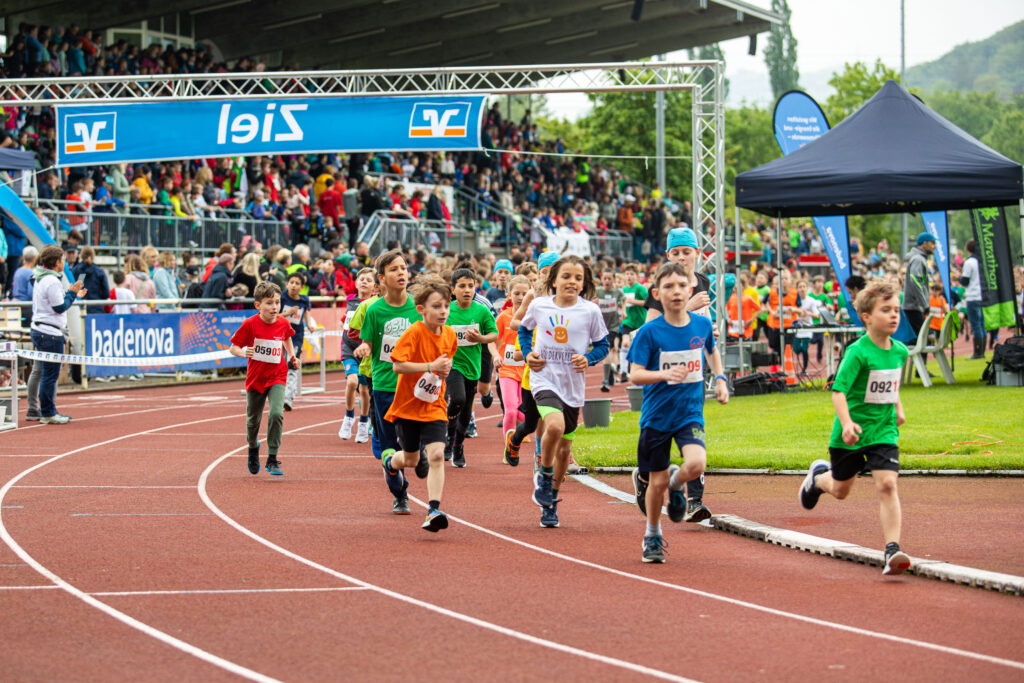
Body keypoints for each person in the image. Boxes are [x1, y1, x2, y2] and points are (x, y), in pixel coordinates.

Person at [798, 281, 912, 576]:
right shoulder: (857, 352)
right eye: (885, 310)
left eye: (896, 310)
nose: (894, 315)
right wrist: (847, 423)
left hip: (883, 431)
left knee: (887, 484)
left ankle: (892, 549)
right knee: (840, 490)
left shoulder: (900, 351)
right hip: (850, 434)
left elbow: (891, 383)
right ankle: (818, 479)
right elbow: (838, 391)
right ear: (866, 316)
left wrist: (898, 408)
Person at [627, 263, 729, 562]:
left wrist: (720, 379)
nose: (676, 292)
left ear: (691, 290)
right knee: (654, 484)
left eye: (682, 286)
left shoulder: (701, 325)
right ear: (657, 294)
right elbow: (635, 375)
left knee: (696, 464)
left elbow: (711, 351)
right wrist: (663, 375)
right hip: (657, 417)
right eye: (669, 287)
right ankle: (653, 534)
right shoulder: (649, 332)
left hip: (689, 414)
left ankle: (677, 484)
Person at [520, 254, 610, 528]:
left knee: (565, 448)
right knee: (554, 427)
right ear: (554, 280)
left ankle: (551, 500)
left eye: (578, 278)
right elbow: (525, 331)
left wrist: (590, 359)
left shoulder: (590, 311)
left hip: (573, 385)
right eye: (566, 276)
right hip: (544, 378)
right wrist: (528, 354)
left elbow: (603, 345)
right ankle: (544, 476)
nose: (572, 282)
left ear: (584, 284)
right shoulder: (539, 305)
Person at [640, 227, 716, 522]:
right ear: (667, 255)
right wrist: (691, 307)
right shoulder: (660, 286)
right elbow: (649, 327)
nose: (682, 257)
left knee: (694, 429)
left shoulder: (704, 281)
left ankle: (695, 500)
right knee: (659, 433)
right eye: (676, 252)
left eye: (687, 252)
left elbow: (701, 322)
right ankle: (645, 479)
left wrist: (711, 331)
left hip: (694, 369)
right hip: (664, 372)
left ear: (698, 253)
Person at [381, 277, 459, 532]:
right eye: (436, 306)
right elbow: (397, 365)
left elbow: (445, 365)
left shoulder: (449, 335)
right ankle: (391, 462)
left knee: (436, 454)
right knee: (412, 461)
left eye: (446, 306)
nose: (443, 311)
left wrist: (442, 371)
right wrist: (430, 367)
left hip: (435, 405)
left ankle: (433, 509)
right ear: (421, 309)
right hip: (407, 406)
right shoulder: (414, 332)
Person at [355, 249, 421, 514]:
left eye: (404, 268)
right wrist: (363, 349)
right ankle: (399, 493)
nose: (401, 273)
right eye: (394, 269)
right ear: (381, 279)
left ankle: (418, 454)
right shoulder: (374, 310)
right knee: (390, 445)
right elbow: (368, 343)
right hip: (384, 385)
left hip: (415, 385)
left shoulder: (418, 307)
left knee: (417, 443)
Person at [229, 281, 299, 477]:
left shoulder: (283, 323)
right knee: (253, 420)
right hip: (256, 377)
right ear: (258, 305)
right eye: (269, 303)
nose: (275, 307)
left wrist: (292, 355)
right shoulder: (249, 324)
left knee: (277, 413)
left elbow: (287, 337)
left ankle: (272, 457)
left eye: (277, 302)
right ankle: (253, 447)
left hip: (277, 375)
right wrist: (244, 353)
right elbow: (233, 347)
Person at [444, 267, 498, 468]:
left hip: (472, 366)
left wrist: (480, 338)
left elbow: (494, 334)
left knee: (466, 408)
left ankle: (458, 444)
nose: (467, 290)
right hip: (453, 364)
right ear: (453, 289)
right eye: (462, 286)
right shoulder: (448, 310)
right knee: (457, 398)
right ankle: (448, 439)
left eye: (470, 286)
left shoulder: (481, 311)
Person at [30, 245, 87, 424]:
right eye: (62, 260)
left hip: (40, 329)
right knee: (50, 374)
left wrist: (72, 294)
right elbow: (59, 307)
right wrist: (71, 293)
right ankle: (48, 412)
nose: (65, 263)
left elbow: (56, 302)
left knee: (40, 371)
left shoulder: (41, 277)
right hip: (50, 333)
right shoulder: (52, 280)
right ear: (56, 262)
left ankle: (37, 409)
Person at [495, 274, 530, 463]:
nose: (520, 297)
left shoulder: (533, 316)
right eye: (516, 293)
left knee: (525, 413)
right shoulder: (504, 317)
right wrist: (495, 355)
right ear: (509, 294)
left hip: (527, 370)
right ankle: (508, 449)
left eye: (524, 293)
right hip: (507, 370)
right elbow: (492, 339)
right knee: (510, 410)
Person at [338, 267, 376, 440]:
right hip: (348, 347)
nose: (364, 282)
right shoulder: (350, 300)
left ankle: (364, 422)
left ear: (375, 286)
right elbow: (346, 319)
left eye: (368, 280)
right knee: (351, 381)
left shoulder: (376, 303)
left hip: (366, 349)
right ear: (356, 282)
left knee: (365, 389)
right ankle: (348, 417)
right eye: (361, 279)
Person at [280, 271, 317, 411]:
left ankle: (288, 398)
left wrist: (309, 325)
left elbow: (306, 313)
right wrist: (287, 313)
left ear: (302, 287)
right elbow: (275, 315)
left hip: (295, 337)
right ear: (287, 284)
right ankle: (276, 395)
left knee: (292, 366)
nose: (294, 286)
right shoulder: (281, 297)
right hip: (279, 336)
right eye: (292, 283)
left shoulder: (304, 300)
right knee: (278, 367)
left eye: (297, 284)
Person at [902, 232, 936, 339]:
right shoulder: (918, 259)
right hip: (914, 307)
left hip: (915, 306)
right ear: (925, 244)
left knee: (917, 340)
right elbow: (915, 281)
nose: (934, 246)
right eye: (932, 243)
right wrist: (924, 303)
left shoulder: (920, 258)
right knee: (923, 340)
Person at [595, 268, 624, 392]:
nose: (607, 281)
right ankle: (612, 368)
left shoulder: (617, 292)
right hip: (601, 326)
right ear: (601, 279)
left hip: (613, 326)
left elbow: (623, 299)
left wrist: (623, 311)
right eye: (605, 278)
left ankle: (605, 380)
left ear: (613, 279)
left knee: (608, 349)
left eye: (609, 278)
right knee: (608, 351)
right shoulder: (598, 292)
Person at [960, 239, 985, 359]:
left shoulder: (969, 262)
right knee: (982, 324)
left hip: (973, 296)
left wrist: (959, 278)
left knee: (975, 325)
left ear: (967, 249)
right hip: (982, 295)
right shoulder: (981, 261)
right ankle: (982, 351)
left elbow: (965, 281)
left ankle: (978, 352)